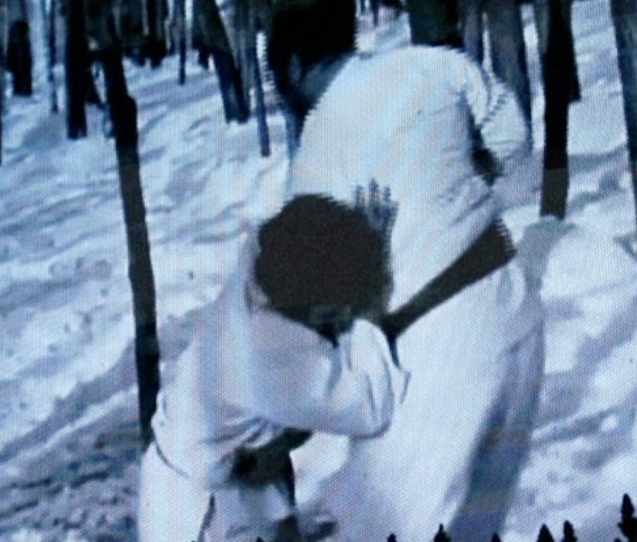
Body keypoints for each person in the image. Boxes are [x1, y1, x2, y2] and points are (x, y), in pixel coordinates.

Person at [284, 45, 545, 542]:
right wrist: (468, 180)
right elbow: (512, 137)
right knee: (472, 527)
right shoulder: (434, 65)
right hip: (513, 314)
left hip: (438, 356)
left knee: (386, 526)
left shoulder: (318, 147)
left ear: (294, 66)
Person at [147, 194, 409, 542]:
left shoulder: (261, 270)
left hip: (221, 456)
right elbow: (372, 409)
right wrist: (369, 316)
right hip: (201, 502)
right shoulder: (268, 357)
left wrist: (354, 243)